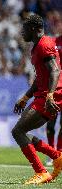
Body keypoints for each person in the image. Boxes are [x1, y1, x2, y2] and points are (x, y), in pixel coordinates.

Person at [12, 14, 62, 185]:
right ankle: (56, 156)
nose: (22, 33)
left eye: (24, 29)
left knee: (17, 132)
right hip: (44, 94)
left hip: (50, 96)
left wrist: (49, 95)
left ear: (33, 29)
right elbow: (41, 77)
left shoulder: (45, 45)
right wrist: (26, 97)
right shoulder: (37, 46)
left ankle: (41, 171)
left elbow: (55, 71)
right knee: (21, 131)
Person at [45, 35, 62, 166]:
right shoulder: (54, 42)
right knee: (50, 125)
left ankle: (60, 152)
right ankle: (51, 153)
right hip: (55, 88)